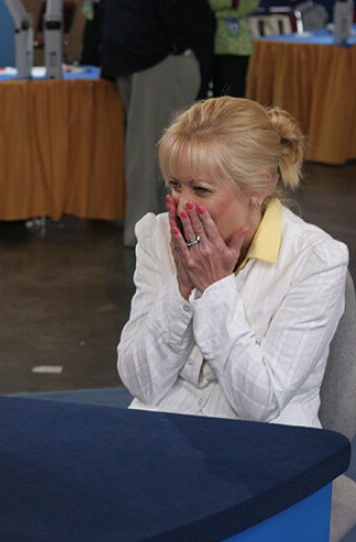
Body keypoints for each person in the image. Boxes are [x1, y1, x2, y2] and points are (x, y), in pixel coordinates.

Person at [117, 97, 349, 428]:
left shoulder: (315, 260)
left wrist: (214, 289)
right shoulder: (157, 236)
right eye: (175, 185)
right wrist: (181, 290)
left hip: (265, 448)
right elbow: (142, 383)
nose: (182, 205)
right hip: (164, 435)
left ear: (260, 185)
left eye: (201, 189)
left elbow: (261, 403)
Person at [100, 0, 216, 247]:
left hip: (134, 45)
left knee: (145, 146)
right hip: (158, 51)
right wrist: (180, 42)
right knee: (160, 151)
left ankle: (151, 231)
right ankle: (152, 235)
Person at [209, 0, 260, 98]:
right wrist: (231, 4)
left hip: (238, 48)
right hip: (209, 46)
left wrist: (217, 14)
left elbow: (249, 5)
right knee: (216, 97)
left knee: (234, 95)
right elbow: (209, 3)